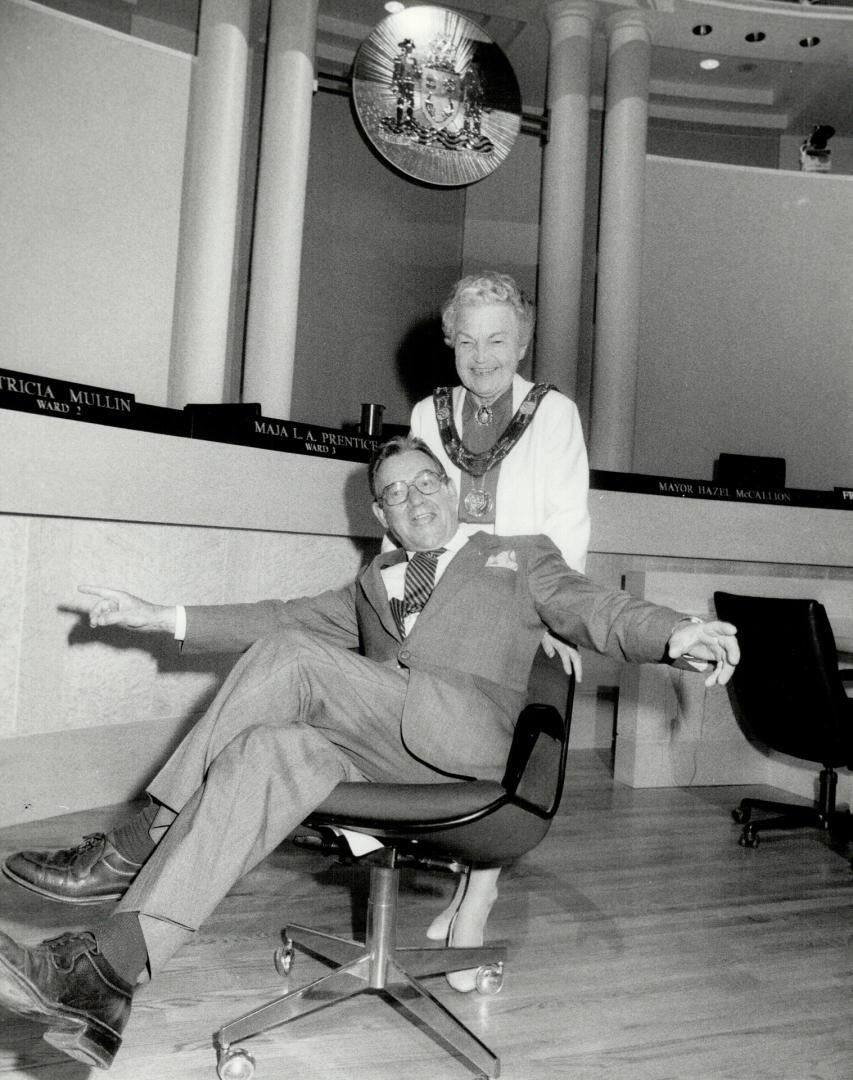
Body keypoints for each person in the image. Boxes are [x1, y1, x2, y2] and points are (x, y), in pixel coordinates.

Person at [0, 436, 740, 1071]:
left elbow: (597, 608)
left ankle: (138, 841)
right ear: (379, 515)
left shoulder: (519, 557)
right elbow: (279, 616)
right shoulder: (369, 584)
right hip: (373, 749)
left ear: (452, 491)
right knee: (266, 748)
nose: (416, 501)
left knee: (293, 658)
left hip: (467, 749)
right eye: (395, 494)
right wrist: (163, 616)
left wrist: (675, 633)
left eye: (428, 483)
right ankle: (101, 976)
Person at [409, 271, 590, 985]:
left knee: (500, 758)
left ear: (521, 344)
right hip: (450, 602)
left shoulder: (554, 414)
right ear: (449, 343)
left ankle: (477, 899)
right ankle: (462, 887)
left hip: (523, 603)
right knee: (449, 750)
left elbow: (568, 521)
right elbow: (416, 517)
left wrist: (555, 614)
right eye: (466, 340)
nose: (480, 356)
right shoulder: (429, 414)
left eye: (496, 340)